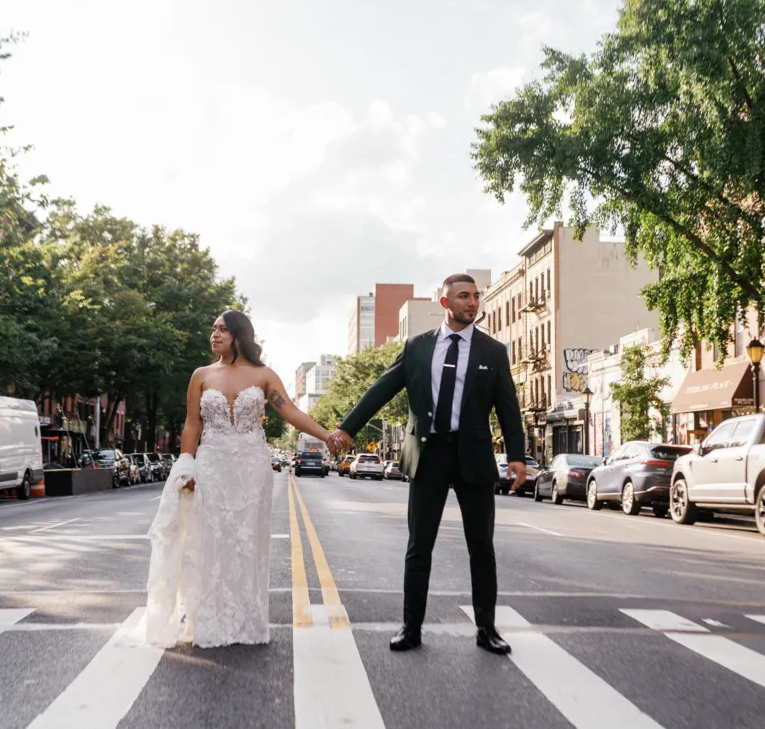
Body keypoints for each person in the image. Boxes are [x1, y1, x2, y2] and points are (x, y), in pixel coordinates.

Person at [327, 274, 527, 655]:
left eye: (476, 297)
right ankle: (411, 627)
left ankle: (487, 629)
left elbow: (509, 409)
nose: (472, 303)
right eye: (464, 296)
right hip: (429, 455)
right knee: (419, 547)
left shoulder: (492, 351)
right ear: (445, 301)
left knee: (481, 548)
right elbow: (382, 389)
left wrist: (516, 456)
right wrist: (347, 429)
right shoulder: (418, 347)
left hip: (473, 457)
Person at [145, 310, 336, 648]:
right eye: (213, 328)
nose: (214, 334)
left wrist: (327, 435)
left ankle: (247, 621)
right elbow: (192, 425)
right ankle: (210, 621)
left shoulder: (264, 375)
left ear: (239, 335)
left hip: (252, 469)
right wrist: (187, 466)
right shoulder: (201, 375)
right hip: (212, 467)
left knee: (247, 543)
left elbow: (289, 411)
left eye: (222, 329)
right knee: (210, 542)